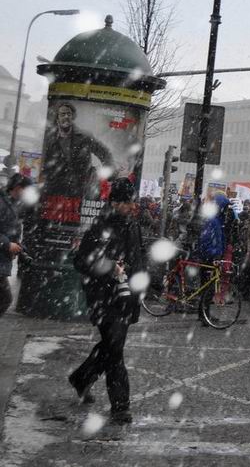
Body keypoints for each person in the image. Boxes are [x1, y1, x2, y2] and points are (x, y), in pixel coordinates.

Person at [69, 178, 146, 424]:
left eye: (132, 201)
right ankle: (120, 406)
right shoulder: (99, 227)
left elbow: (138, 258)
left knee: (111, 347)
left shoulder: (132, 225)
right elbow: (81, 261)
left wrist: (147, 281)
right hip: (104, 298)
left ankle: (82, 378)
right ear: (114, 202)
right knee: (115, 351)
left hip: (127, 297)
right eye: (127, 202)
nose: (131, 206)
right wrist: (109, 267)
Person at [41, 102, 115, 199]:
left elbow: (105, 153)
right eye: (63, 114)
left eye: (69, 114)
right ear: (57, 118)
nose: (66, 116)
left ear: (73, 116)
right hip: (55, 191)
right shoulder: (49, 139)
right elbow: (43, 163)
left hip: (80, 191)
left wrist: (109, 173)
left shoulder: (85, 137)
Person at [0, 174, 33, 317]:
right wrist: (7, 245)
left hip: (2, 261)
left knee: (4, 299)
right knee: (5, 299)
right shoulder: (3, 203)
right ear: (18, 188)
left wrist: (18, 247)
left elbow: (11, 232)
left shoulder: (14, 204)